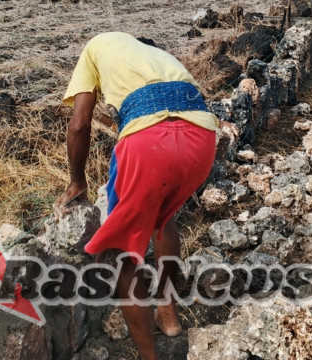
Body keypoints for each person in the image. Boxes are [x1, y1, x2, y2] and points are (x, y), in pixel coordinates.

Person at [53, 32, 217, 360]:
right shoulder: (156, 56)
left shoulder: (95, 46)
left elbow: (79, 123)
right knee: (163, 217)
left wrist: (76, 182)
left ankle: (149, 356)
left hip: (148, 145)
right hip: (201, 137)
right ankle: (167, 312)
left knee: (123, 253)